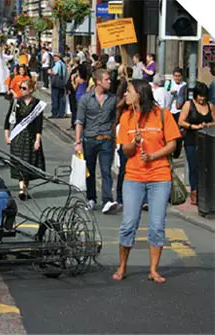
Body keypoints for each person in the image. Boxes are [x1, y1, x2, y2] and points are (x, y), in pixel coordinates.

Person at [114, 79, 182, 284]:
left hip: (159, 176)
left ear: (140, 94)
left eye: (129, 91)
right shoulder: (126, 117)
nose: (126, 94)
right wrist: (132, 144)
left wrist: (153, 156)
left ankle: (153, 269)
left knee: (157, 225)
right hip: (134, 176)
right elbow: (124, 150)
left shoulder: (163, 114)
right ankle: (122, 265)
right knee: (129, 223)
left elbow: (172, 144)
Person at [75, 69, 118, 213]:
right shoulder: (86, 99)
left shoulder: (112, 99)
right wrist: (78, 142)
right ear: (98, 81)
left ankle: (107, 200)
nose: (110, 81)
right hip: (89, 139)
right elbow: (80, 121)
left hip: (106, 139)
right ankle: (91, 198)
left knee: (106, 171)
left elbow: (114, 119)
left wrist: (114, 137)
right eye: (107, 79)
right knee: (90, 171)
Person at [4, 79, 46, 200]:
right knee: (19, 163)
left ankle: (25, 187)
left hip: (31, 138)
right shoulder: (15, 102)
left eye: (24, 88)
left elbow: (39, 123)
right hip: (18, 137)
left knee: (28, 164)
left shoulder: (38, 104)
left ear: (31, 90)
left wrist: (38, 140)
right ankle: (22, 189)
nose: (21, 90)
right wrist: (7, 135)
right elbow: (8, 119)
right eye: (20, 88)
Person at [178, 82, 215, 205]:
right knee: (194, 166)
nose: (202, 99)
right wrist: (193, 126)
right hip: (191, 140)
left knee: (206, 167)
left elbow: (214, 121)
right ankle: (194, 191)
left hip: (207, 142)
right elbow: (181, 121)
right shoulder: (189, 105)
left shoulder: (210, 106)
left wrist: (208, 125)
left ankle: (206, 191)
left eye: (204, 96)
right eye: (200, 96)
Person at [48, 53, 67, 118]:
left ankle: (54, 113)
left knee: (55, 98)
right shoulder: (63, 64)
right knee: (61, 98)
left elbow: (55, 73)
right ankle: (61, 113)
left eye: (54, 57)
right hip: (62, 83)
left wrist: (50, 71)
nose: (54, 59)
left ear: (57, 57)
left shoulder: (57, 64)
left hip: (56, 83)